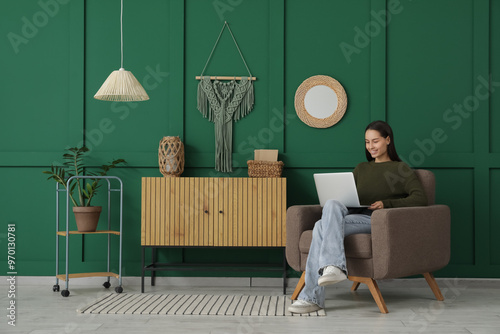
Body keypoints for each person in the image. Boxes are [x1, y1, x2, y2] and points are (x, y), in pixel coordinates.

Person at [288, 120, 428, 314]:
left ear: (388, 140)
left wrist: (386, 204)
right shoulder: (362, 168)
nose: (371, 146)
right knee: (331, 204)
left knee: (321, 227)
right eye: (367, 142)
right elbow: (349, 194)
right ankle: (333, 268)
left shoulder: (400, 169)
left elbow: (420, 198)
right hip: (351, 215)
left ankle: (313, 296)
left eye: (375, 141)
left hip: (374, 221)